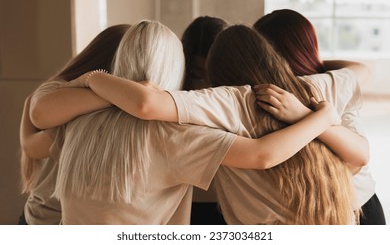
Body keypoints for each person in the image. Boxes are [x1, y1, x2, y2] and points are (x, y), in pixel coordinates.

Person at [29, 20, 340, 225]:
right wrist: (322, 117)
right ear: (176, 67)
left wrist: (92, 81)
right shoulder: (174, 136)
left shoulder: (76, 122)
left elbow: (34, 143)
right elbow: (262, 155)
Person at [253, 8, 386, 225]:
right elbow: (360, 69)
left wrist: (303, 115)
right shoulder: (333, 85)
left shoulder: (268, 96)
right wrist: (319, 66)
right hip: (359, 205)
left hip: (323, 211)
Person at [19, 24, 130, 224]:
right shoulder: (63, 92)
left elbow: (30, 144)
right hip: (47, 219)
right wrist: (124, 97)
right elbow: (34, 141)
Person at [181, 15, 228, 225]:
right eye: (199, 74)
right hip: (189, 199)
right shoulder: (175, 97)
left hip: (228, 200)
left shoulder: (239, 92)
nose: (207, 85)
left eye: (213, 74)